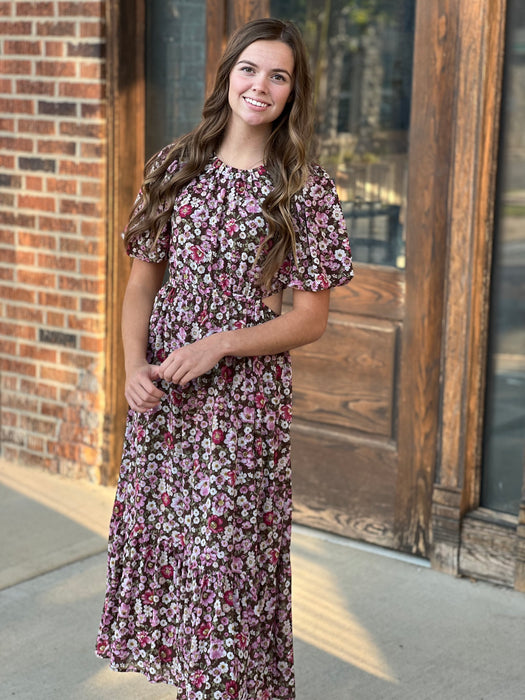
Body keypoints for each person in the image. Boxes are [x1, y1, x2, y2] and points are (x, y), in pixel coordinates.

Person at [95, 17, 353, 699]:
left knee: (226, 564)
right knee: (175, 554)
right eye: (249, 69)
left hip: (242, 410)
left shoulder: (302, 189)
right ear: (226, 74)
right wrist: (130, 369)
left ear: (293, 92)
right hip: (166, 400)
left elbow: (310, 319)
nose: (260, 85)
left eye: (278, 75)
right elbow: (140, 286)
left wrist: (219, 344)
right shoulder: (173, 166)